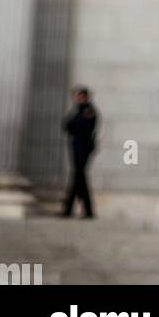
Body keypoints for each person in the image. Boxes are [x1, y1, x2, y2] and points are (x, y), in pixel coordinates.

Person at [61, 86, 98, 218]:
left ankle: (70, 210)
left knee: (78, 176)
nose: (77, 99)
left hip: (84, 148)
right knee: (79, 177)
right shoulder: (78, 110)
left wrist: (75, 126)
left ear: (85, 97)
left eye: (79, 96)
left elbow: (80, 126)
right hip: (77, 147)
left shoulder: (88, 110)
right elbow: (66, 125)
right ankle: (86, 211)